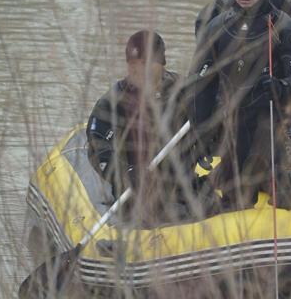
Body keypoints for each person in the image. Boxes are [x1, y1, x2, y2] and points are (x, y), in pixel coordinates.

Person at [189, 0, 291, 210]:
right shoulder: (216, 30)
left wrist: (282, 87)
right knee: (235, 198)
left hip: (278, 124)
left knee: (288, 199)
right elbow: (201, 87)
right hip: (235, 125)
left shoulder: (286, 29)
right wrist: (200, 135)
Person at [86, 30, 208, 225]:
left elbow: (211, 126)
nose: (137, 71)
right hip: (135, 191)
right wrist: (126, 174)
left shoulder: (185, 91)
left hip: (183, 185)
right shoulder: (112, 103)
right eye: (132, 64)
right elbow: (99, 151)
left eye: (144, 64)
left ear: (160, 63)